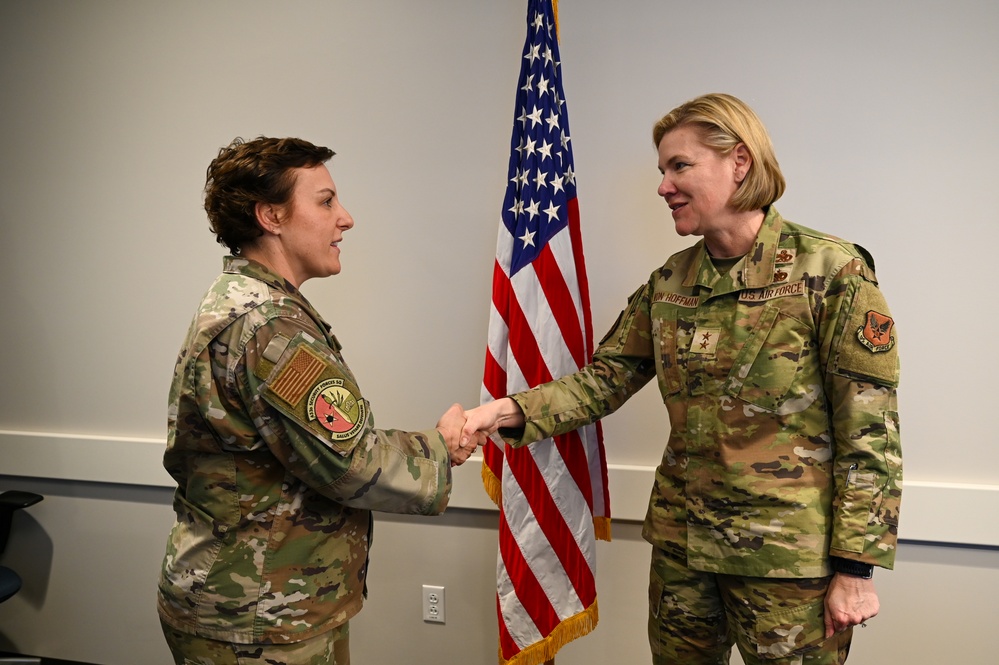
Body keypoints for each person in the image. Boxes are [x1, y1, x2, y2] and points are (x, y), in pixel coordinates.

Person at [462, 93, 902, 664]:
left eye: (680, 166)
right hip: (683, 551)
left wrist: (854, 567)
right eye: (662, 170)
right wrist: (503, 411)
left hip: (785, 564)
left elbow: (871, 433)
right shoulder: (671, 280)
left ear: (739, 162)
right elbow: (604, 379)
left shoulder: (831, 272)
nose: (664, 186)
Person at [157, 136, 483, 665]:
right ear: (272, 216)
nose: (345, 218)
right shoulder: (269, 326)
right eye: (326, 201)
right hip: (259, 618)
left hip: (251, 604)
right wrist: (441, 446)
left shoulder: (245, 302)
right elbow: (350, 462)